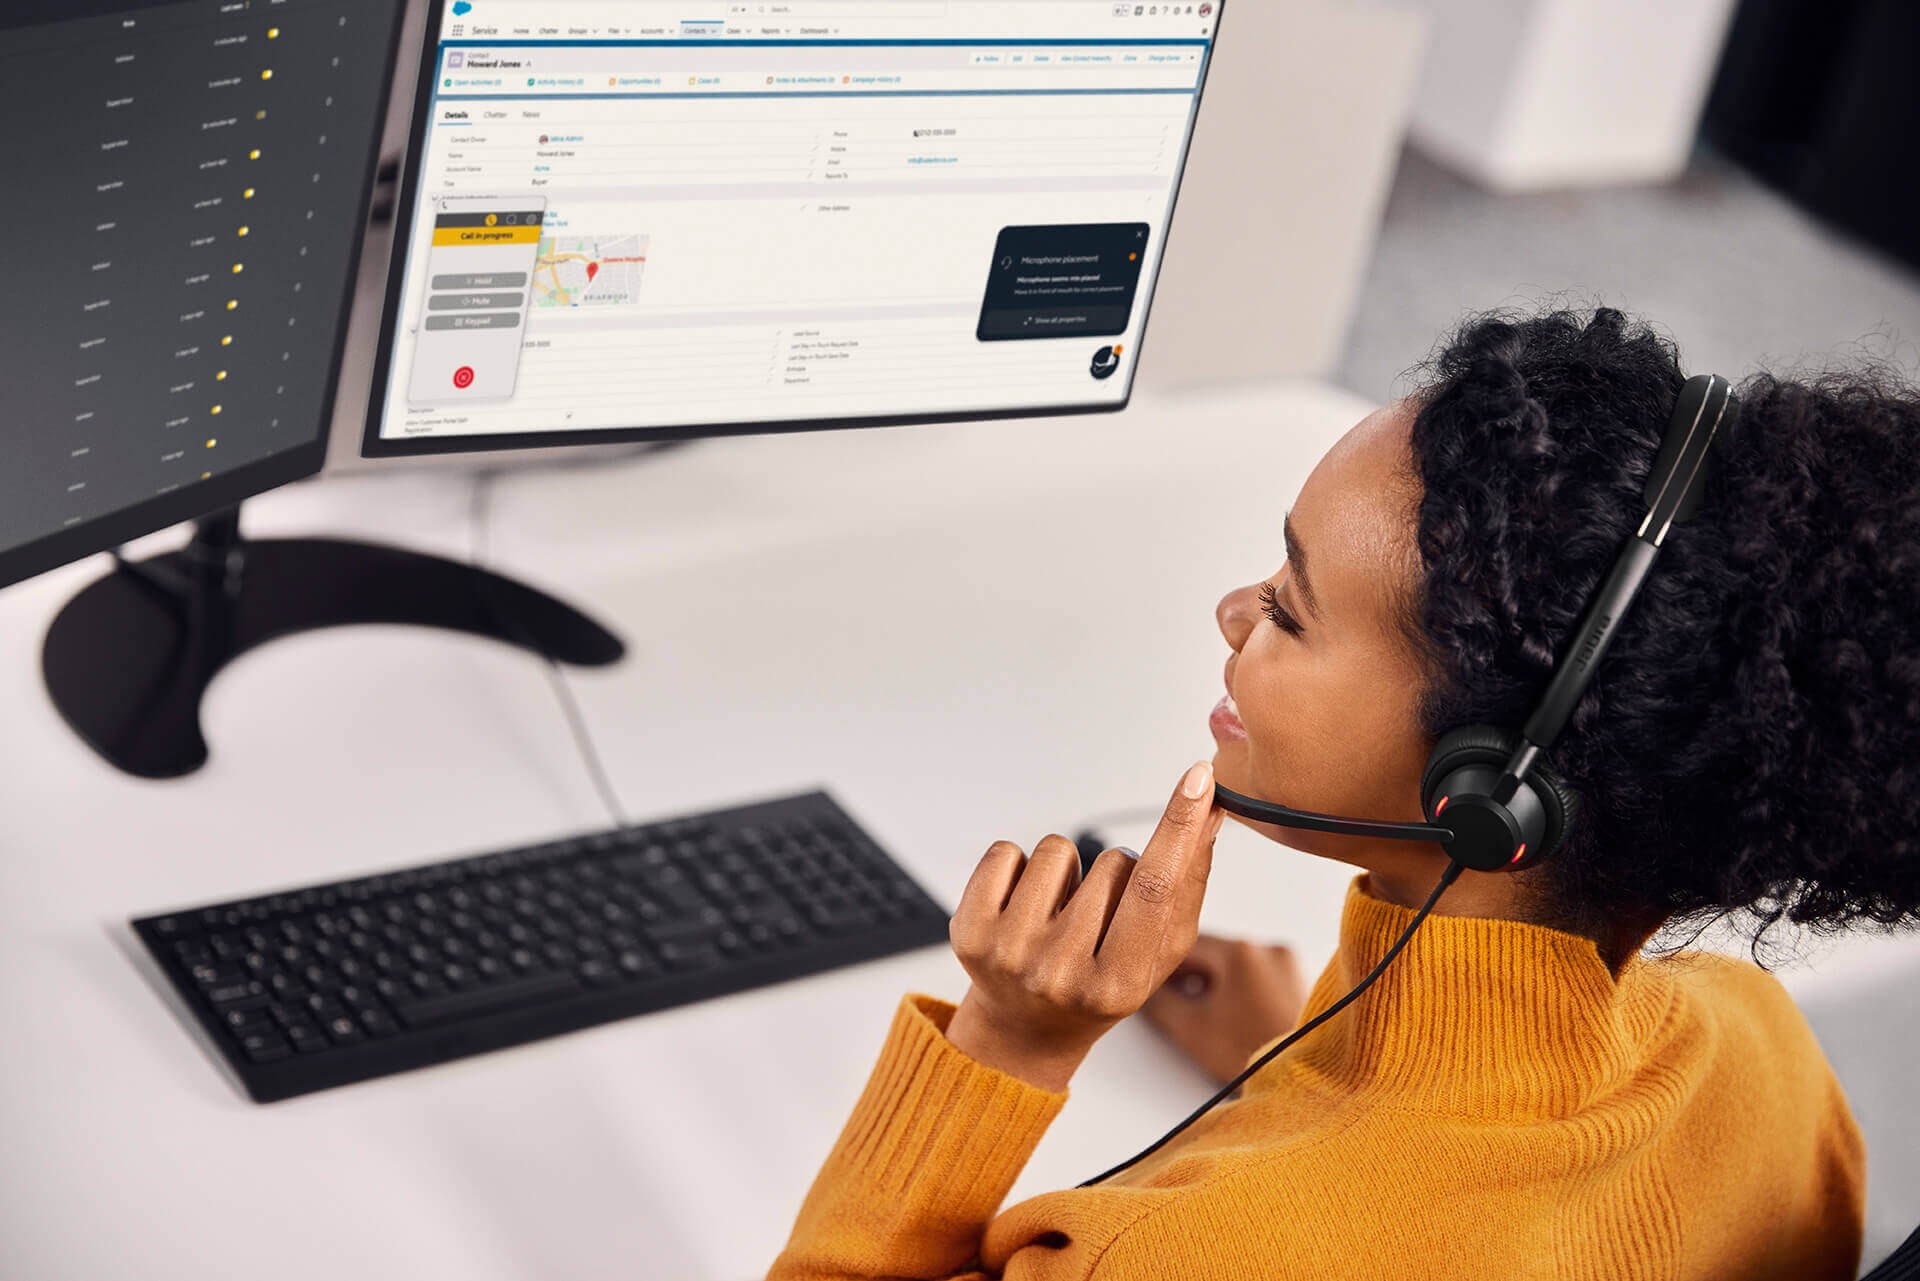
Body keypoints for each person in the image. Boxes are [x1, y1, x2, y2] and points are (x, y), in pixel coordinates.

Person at [767, 305, 1919, 1279]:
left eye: (1291, 609)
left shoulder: (1178, 1259)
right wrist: (1305, 1055)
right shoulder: (1767, 1057)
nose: (1234, 610)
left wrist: (1011, 1043)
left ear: (1493, 787)